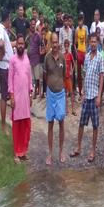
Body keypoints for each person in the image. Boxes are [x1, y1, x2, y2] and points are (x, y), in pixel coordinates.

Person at [70, 33, 104, 163]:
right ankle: (78, 147)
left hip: (95, 95)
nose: (93, 43)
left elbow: (101, 77)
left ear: (98, 43)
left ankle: (93, 151)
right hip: (86, 95)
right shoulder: (87, 57)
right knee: (81, 123)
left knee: (95, 125)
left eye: (95, 41)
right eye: (91, 42)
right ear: (89, 43)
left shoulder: (100, 58)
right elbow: (84, 75)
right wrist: (82, 92)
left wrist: (99, 96)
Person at [42, 33, 67, 166]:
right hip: (51, 94)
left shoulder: (63, 57)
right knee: (50, 123)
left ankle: (61, 152)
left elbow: (64, 75)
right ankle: (50, 153)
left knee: (61, 122)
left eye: (57, 42)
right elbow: (45, 75)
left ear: (59, 43)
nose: (56, 45)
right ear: (50, 43)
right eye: (53, 42)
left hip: (61, 94)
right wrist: (50, 86)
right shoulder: (47, 57)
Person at [8, 35, 33, 162]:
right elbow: (10, 80)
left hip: (25, 97)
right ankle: (16, 153)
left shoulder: (27, 59)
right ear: (16, 45)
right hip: (16, 99)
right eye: (18, 44)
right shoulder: (12, 60)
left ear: (24, 45)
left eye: (22, 44)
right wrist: (11, 96)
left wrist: (30, 94)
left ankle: (24, 151)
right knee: (17, 127)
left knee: (26, 126)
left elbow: (29, 78)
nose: (20, 46)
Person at [0, 9, 14, 134]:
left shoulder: (2, 30)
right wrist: (1, 53)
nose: (11, 22)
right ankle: (3, 125)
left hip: (7, 67)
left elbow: (6, 44)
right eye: (10, 20)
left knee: (7, 95)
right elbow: (1, 44)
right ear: (7, 19)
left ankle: (7, 123)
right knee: (4, 97)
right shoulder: (1, 30)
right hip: (5, 68)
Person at [27, 18, 44, 99]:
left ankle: (38, 93)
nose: (33, 26)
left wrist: (41, 52)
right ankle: (33, 92)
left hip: (37, 59)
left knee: (38, 78)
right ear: (30, 26)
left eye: (34, 24)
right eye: (32, 24)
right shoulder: (29, 36)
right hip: (30, 60)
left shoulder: (38, 35)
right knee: (32, 78)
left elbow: (42, 44)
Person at [75, 12, 88, 99]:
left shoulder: (85, 29)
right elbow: (75, 43)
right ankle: (80, 93)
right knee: (79, 74)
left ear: (83, 20)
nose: (80, 22)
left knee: (85, 73)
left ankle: (85, 91)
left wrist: (86, 52)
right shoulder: (76, 30)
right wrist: (76, 52)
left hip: (84, 53)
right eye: (79, 21)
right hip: (78, 52)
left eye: (81, 20)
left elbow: (86, 42)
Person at [63, 39, 76, 116]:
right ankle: (66, 110)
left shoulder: (70, 54)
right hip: (64, 77)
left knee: (71, 93)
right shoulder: (63, 55)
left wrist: (72, 71)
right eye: (65, 45)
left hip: (69, 77)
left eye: (67, 45)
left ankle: (73, 109)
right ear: (64, 46)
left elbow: (74, 64)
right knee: (65, 93)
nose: (66, 47)